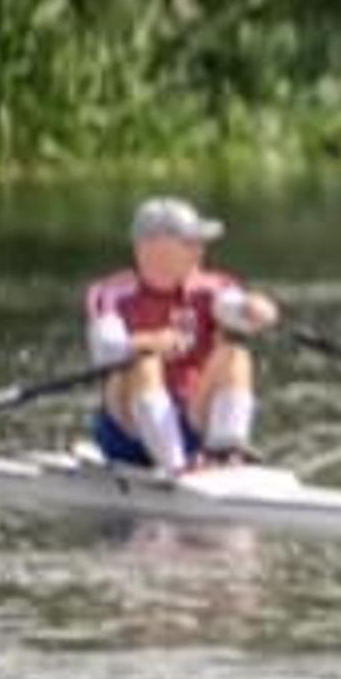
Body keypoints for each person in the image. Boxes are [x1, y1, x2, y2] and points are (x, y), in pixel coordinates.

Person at [85, 196, 279, 473]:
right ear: (153, 249)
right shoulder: (112, 292)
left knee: (236, 355)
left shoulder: (211, 288)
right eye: (190, 243)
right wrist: (151, 342)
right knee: (145, 361)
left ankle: (224, 452)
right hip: (128, 431)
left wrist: (255, 309)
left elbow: (234, 307)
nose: (200, 250)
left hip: (191, 419)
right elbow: (104, 349)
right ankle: (176, 468)